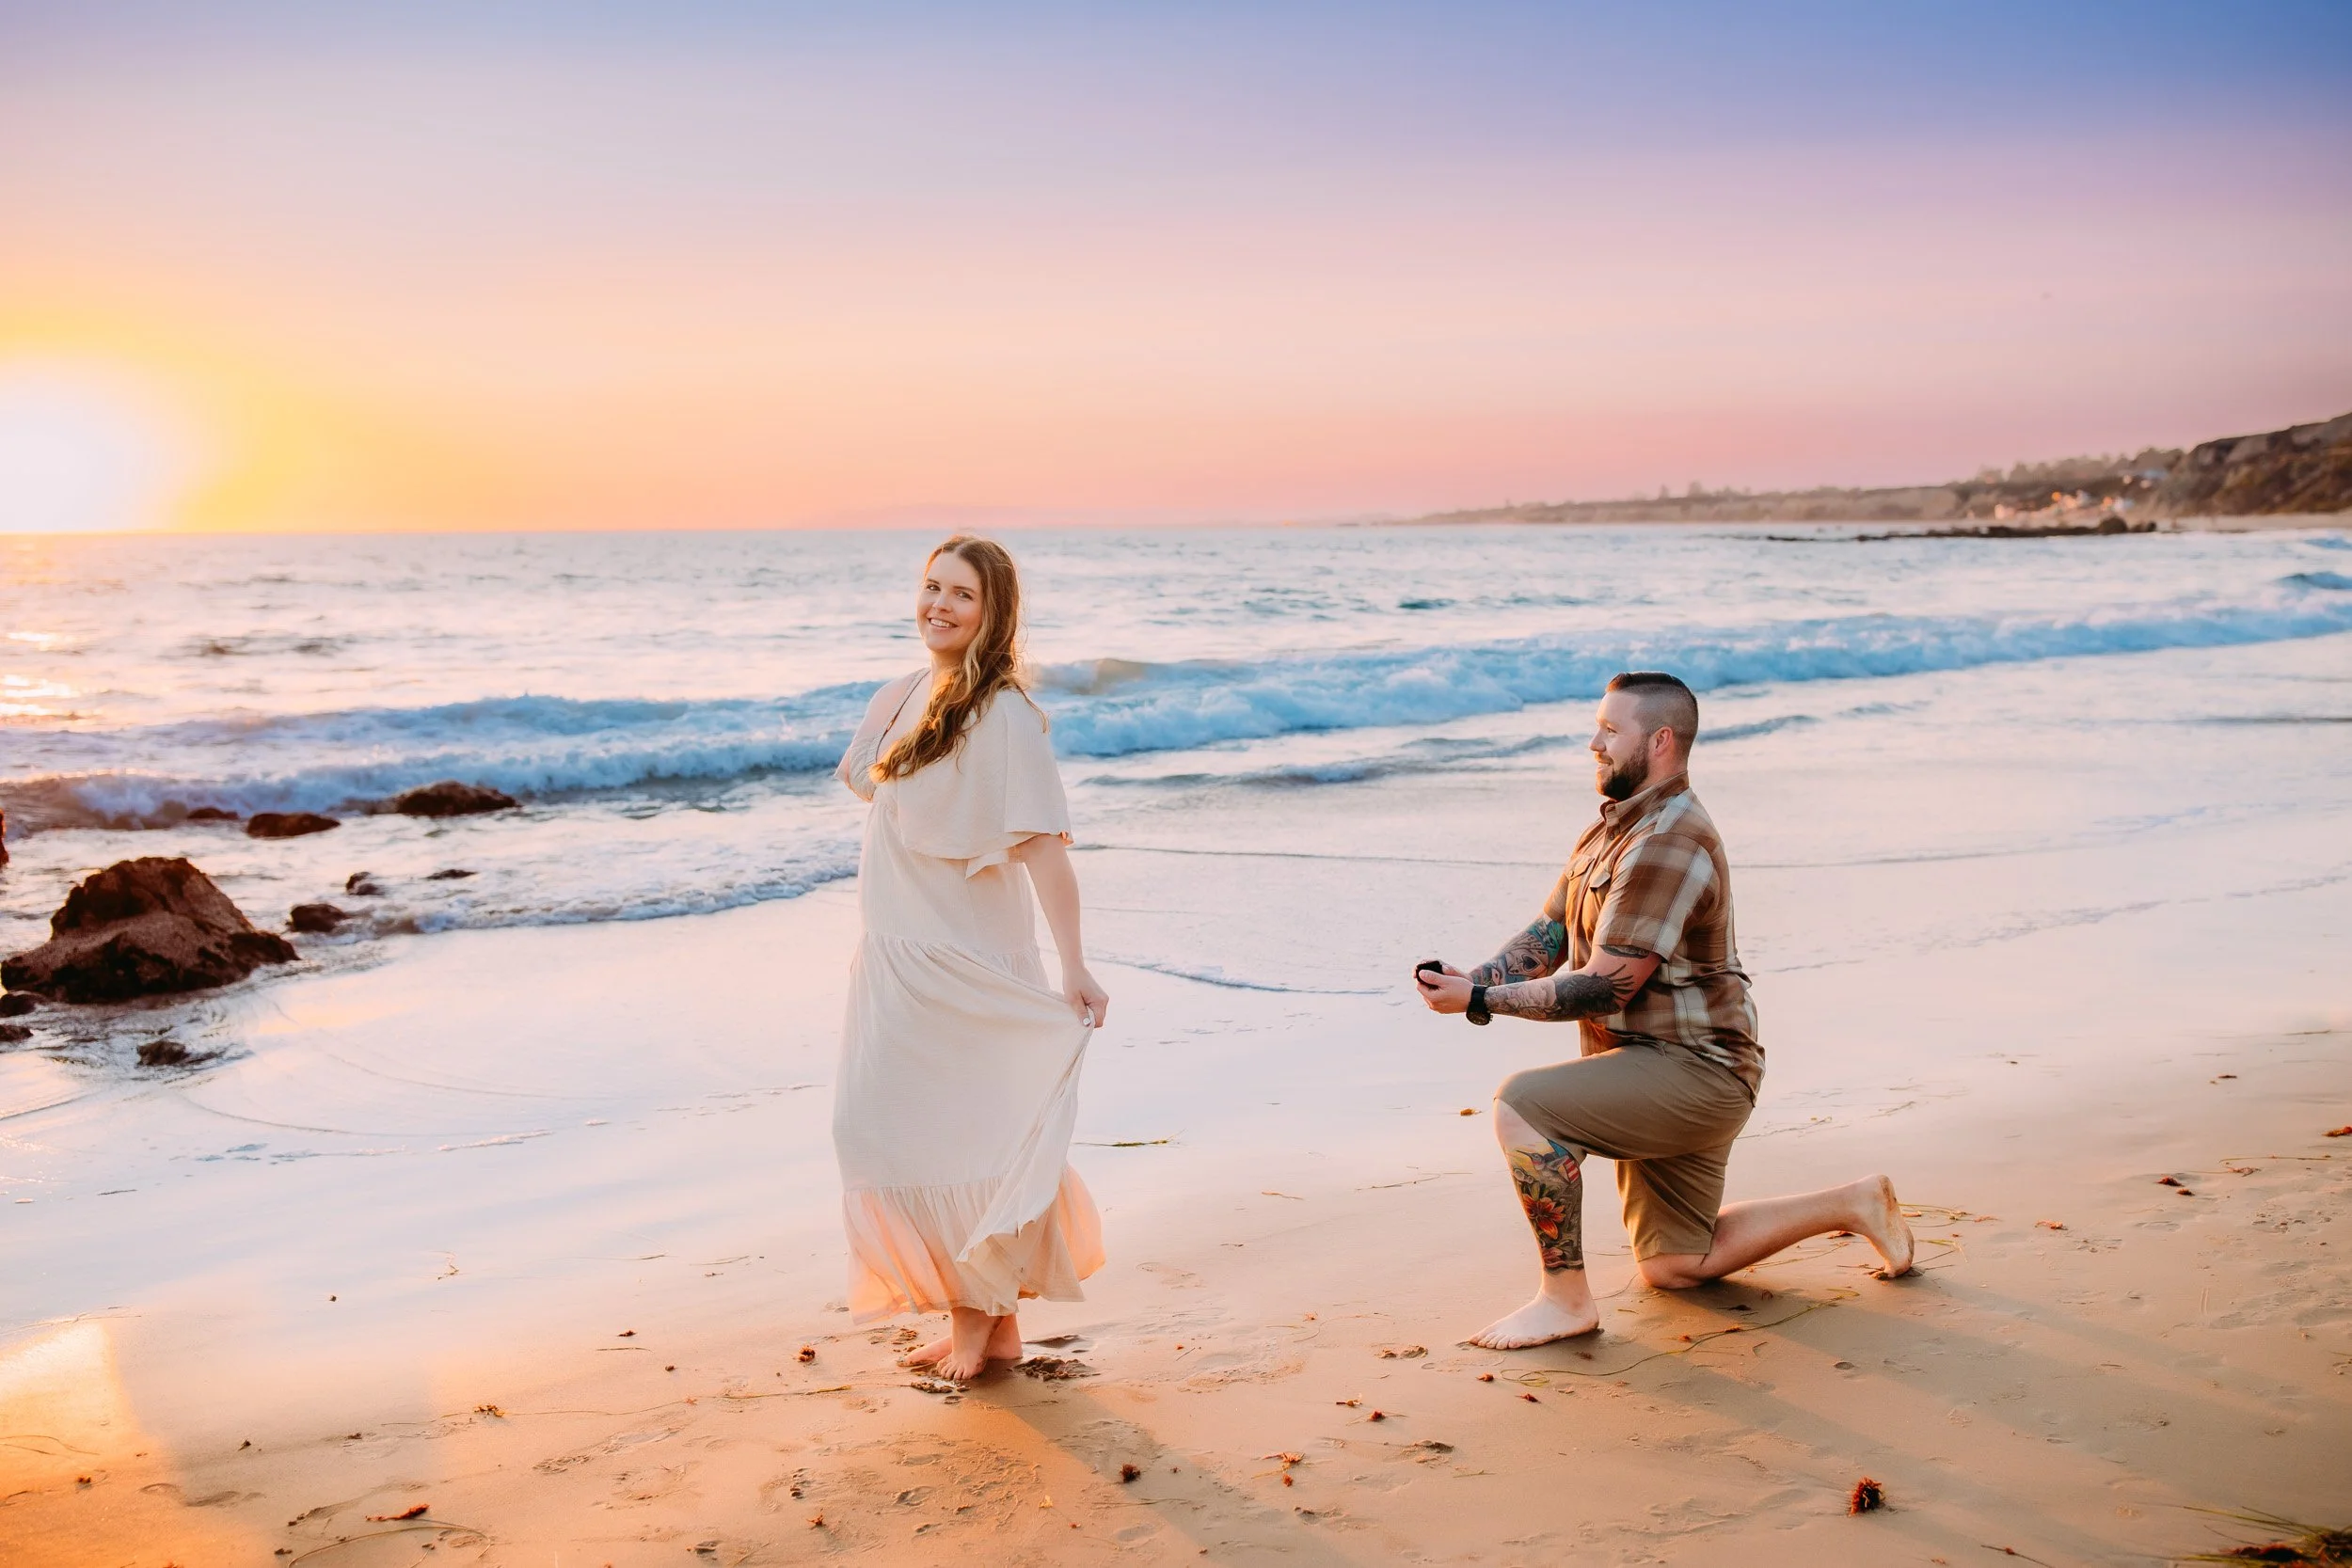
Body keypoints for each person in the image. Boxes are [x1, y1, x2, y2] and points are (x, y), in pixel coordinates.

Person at [1415, 671, 1913, 1349]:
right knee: (1677, 1265)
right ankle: (1852, 1203)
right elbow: (1552, 934)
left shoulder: (1670, 839)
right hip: (1651, 1064)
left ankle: (1565, 1300)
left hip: (1696, 1072)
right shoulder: (1613, 828)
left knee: (1523, 1106)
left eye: (1610, 729)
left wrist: (1480, 1001)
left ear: (1660, 741)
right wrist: (1475, 979)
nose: (1593, 742)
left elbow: (1603, 987)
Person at [832, 535, 1111, 1381]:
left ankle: (977, 1323)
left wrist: (1075, 964)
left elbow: (1044, 852)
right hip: (898, 960)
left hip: (967, 961)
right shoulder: (903, 693)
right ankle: (994, 1325)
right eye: (931, 587)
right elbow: (870, 789)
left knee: (958, 1139)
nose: (939, 606)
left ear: (994, 613)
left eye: (962, 595)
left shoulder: (1007, 715)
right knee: (884, 1132)